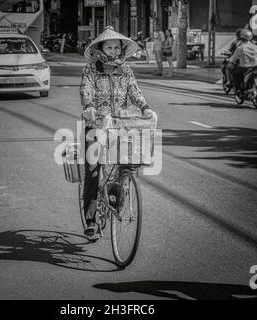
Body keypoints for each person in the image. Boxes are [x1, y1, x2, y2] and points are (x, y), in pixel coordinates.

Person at [80, 26, 156, 239]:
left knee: (128, 165)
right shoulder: (91, 69)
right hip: (95, 124)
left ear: (121, 49)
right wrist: (88, 107)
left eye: (116, 47)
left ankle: (117, 199)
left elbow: (134, 91)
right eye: (109, 46)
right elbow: (86, 90)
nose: (113, 50)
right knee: (93, 172)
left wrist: (145, 108)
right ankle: (91, 220)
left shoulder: (126, 69)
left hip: (121, 124)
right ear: (100, 48)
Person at [228, 29, 257, 98]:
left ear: (241, 39)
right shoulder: (256, 47)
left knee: (235, 74)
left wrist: (230, 62)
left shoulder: (240, 48)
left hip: (245, 68)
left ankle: (238, 90)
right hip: (256, 67)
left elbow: (233, 59)